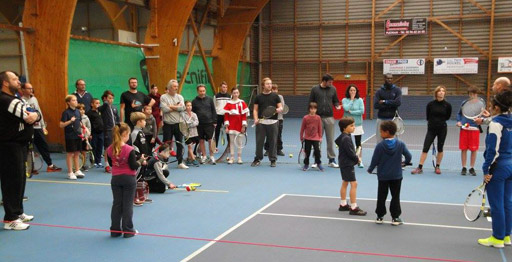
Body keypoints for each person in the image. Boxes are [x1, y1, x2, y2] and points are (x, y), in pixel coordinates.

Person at [0, 70, 39, 230]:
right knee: (11, 181)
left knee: (20, 179)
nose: (19, 82)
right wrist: (33, 116)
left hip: (20, 146)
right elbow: (27, 116)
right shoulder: (6, 100)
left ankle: (18, 212)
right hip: (9, 146)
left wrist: (35, 116)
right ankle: (10, 219)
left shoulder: (16, 100)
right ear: (5, 83)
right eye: (15, 79)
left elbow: (35, 114)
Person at [478, 90, 512, 248]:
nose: (490, 107)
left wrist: (486, 171)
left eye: (492, 105)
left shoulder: (495, 124)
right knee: (507, 203)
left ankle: (497, 238)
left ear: (497, 108)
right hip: (511, 166)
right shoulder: (509, 121)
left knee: (497, 204)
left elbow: (492, 151)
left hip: (499, 167)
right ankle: (506, 236)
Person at [367, 120, 411, 226]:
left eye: (381, 131)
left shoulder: (380, 146)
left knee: (381, 196)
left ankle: (379, 216)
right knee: (395, 196)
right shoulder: (400, 144)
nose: (380, 133)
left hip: (383, 176)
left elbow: (375, 160)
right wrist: (405, 163)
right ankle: (395, 218)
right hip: (397, 176)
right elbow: (409, 156)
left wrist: (370, 169)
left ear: (386, 132)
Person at [106, 123, 144, 238]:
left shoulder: (110, 149)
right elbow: (133, 166)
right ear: (125, 134)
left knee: (117, 204)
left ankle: (115, 230)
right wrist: (141, 161)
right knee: (127, 205)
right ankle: (128, 230)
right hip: (128, 179)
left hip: (116, 178)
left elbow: (112, 163)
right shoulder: (129, 149)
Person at [20, 82, 61, 173]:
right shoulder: (21, 101)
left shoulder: (34, 99)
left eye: (31, 88)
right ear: (23, 90)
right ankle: (30, 168)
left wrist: (43, 126)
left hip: (38, 128)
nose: (31, 90)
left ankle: (50, 165)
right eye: (28, 88)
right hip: (28, 128)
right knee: (29, 148)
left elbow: (39, 112)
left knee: (43, 146)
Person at [410, 86, 452, 175]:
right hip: (431, 130)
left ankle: (437, 166)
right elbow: (428, 117)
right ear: (436, 93)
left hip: (442, 129)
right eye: (439, 91)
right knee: (425, 148)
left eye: (443, 91)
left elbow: (447, 117)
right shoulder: (430, 104)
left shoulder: (448, 105)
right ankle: (420, 167)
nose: (441, 92)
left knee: (440, 148)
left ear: (445, 93)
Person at [308, 74, 341, 168]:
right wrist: (311, 115)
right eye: (330, 82)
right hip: (317, 118)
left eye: (332, 82)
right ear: (324, 81)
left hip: (329, 118)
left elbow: (336, 100)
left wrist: (337, 105)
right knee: (317, 140)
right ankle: (316, 160)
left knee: (330, 140)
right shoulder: (314, 89)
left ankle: (332, 160)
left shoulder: (333, 89)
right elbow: (310, 102)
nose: (331, 84)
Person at [336, 117, 366, 215]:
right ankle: (354, 207)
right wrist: (357, 159)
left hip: (343, 163)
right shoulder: (346, 139)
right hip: (347, 164)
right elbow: (350, 153)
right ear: (344, 128)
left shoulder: (344, 136)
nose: (354, 127)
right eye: (351, 126)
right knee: (354, 184)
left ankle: (343, 204)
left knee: (345, 182)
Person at [252, 77, 283, 167]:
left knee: (273, 142)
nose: (270, 85)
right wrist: (255, 119)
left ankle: (273, 160)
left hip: (273, 122)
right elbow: (255, 110)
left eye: (270, 83)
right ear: (263, 85)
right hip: (261, 122)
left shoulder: (275, 96)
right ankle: (257, 159)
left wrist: (279, 109)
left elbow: (280, 107)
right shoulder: (258, 97)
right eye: (267, 84)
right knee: (259, 142)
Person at [160, 79, 188, 169]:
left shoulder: (180, 97)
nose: (176, 88)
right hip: (168, 124)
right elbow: (164, 109)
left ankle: (180, 162)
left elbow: (182, 108)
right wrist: (176, 107)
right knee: (166, 144)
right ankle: (164, 163)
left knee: (179, 143)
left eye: (177, 86)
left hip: (178, 124)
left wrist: (170, 106)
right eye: (174, 86)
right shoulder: (163, 97)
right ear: (169, 88)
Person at [456, 86, 482, 176]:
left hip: (475, 129)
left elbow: (482, 116)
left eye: (474, 94)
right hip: (464, 129)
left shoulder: (480, 105)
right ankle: (464, 167)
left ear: (477, 94)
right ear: (468, 94)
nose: (472, 96)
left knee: (474, 149)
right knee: (464, 149)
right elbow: (459, 114)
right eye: (470, 94)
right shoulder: (464, 103)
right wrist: (459, 121)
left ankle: (472, 167)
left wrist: (480, 120)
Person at [59, 95, 85, 180]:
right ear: (68, 102)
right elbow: (61, 125)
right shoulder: (66, 112)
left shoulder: (78, 111)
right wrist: (70, 121)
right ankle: (70, 172)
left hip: (78, 135)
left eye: (76, 100)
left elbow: (80, 122)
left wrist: (85, 129)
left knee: (77, 153)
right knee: (70, 154)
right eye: (73, 100)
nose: (76, 102)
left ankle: (77, 170)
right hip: (70, 136)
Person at [192, 84, 217, 165]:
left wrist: (215, 121)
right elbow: (193, 113)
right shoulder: (194, 101)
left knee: (210, 141)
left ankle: (212, 156)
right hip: (199, 124)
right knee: (201, 140)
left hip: (209, 123)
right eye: (200, 91)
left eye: (203, 91)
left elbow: (213, 110)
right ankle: (204, 156)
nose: (202, 92)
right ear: (197, 91)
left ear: (205, 91)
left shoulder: (210, 99)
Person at [342, 84, 365, 168]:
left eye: (354, 90)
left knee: (358, 143)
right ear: (348, 91)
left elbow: (362, 111)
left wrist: (351, 112)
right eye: (351, 90)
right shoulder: (344, 100)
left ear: (356, 91)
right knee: (347, 143)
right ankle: (348, 159)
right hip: (347, 125)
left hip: (357, 124)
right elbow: (345, 108)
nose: (352, 92)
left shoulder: (360, 100)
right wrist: (351, 100)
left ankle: (359, 160)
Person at [223, 87, 249, 164]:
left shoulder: (242, 103)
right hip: (231, 126)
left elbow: (244, 116)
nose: (235, 94)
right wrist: (227, 127)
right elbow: (226, 116)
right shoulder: (228, 103)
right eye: (234, 93)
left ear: (239, 93)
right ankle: (232, 158)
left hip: (239, 126)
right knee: (231, 142)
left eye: (237, 93)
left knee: (239, 142)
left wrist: (243, 126)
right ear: (232, 94)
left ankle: (239, 158)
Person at [374, 74, 402, 144]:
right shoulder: (379, 91)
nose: (389, 80)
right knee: (379, 140)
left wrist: (384, 101)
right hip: (381, 119)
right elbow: (376, 105)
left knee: (396, 140)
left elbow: (398, 103)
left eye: (391, 78)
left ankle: (397, 154)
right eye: (388, 78)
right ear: (384, 79)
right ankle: (380, 154)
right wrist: (392, 104)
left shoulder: (397, 90)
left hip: (394, 119)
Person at [99, 90, 120, 173]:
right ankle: (107, 164)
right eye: (109, 98)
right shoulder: (104, 107)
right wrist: (105, 103)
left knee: (116, 146)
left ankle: (114, 162)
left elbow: (117, 118)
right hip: (107, 130)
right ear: (105, 98)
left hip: (115, 130)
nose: (111, 100)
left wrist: (119, 127)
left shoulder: (114, 107)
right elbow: (100, 109)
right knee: (108, 147)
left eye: (112, 98)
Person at [299, 102, 323, 171]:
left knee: (317, 151)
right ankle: (306, 164)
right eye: (311, 109)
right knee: (307, 152)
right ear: (309, 109)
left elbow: (320, 128)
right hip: (307, 138)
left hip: (316, 138)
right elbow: (302, 128)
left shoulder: (318, 118)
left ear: (316, 109)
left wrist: (320, 137)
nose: (313, 110)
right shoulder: (305, 118)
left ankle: (318, 163)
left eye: (314, 109)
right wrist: (301, 137)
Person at [265, 84, 285, 156]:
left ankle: (279, 149)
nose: (274, 90)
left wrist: (274, 110)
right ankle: (267, 149)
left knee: (279, 135)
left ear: (277, 90)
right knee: (269, 135)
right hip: (269, 119)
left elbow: (281, 107)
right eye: (273, 89)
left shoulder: (280, 97)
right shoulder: (267, 97)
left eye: (275, 89)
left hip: (279, 119)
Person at [86, 98, 104, 168]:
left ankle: (98, 161)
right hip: (94, 133)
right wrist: (89, 134)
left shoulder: (99, 112)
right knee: (94, 147)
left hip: (101, 132)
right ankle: (93, 161)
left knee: (100, 147)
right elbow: (88, 124)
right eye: (96, 103)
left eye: (99, 103)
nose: (98, 105)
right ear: (92, 104)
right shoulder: (89, 113)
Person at [214, 81, 230, 153]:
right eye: (223, 87)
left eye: (226, 87)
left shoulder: (230, 96)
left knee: (228, 132)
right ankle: (215, 147)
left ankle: (229, 147)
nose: (225, 89)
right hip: (218, 116)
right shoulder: (216, 96)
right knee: (216, 132)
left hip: (226, 116)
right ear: (220, 87)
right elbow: (214, 107)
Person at [182, 101, 200, 167]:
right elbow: (184, 124)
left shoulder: (194, 114)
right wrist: (191, 124)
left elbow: (197, 122)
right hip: (187, 134)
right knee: (189, 146)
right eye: (187, 105)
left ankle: (189, 158)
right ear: (185, 106)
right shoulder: (183, 115)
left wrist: (190, 124)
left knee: (191, 146)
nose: (189, 107)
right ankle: (193, 159)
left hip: (194, 133)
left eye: (190, 105)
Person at [77, 103, 92, 172]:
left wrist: (87, 136)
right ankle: (77, 165)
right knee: (77, 152)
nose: (81, 111)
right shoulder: (75, 118)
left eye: (83, 109)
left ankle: (84, 165)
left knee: (84, 151)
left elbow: (89, 127)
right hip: (77, 137)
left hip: (84, 138)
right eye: (80, 109)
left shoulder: (86, 118)